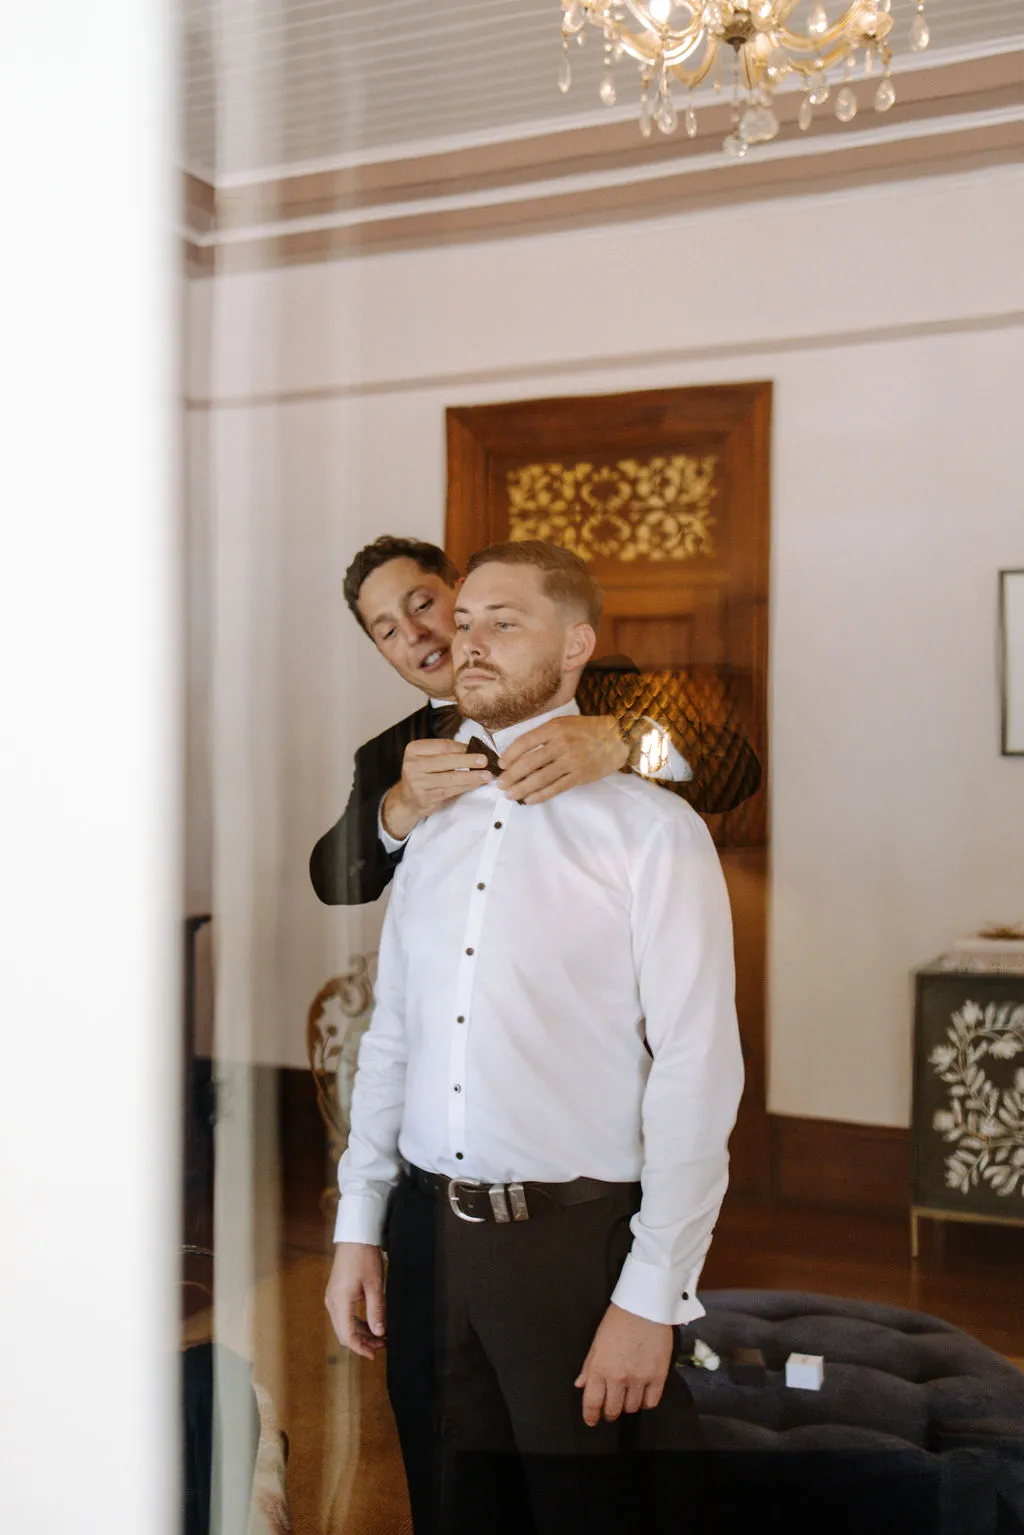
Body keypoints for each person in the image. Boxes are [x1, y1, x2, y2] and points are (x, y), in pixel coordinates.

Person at [325, 540, 744, 1535]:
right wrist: (359, 1223)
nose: (448, 637)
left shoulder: (651, 828)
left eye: (486, 616)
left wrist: (653, 1292)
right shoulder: (416, 797)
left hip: (572, 1241)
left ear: (576, 645)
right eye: (438, 624)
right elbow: (393, 1034)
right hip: (425, 1243)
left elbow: (697, 1063)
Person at [309, 534, 759, 907]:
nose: (412, 633)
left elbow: (734, 774)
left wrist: (627, 740)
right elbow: (334, 882)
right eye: (387, 631)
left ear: (464, 591)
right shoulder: (388, 754)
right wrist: (402, 805)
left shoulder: (598, 686)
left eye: (423, 604)